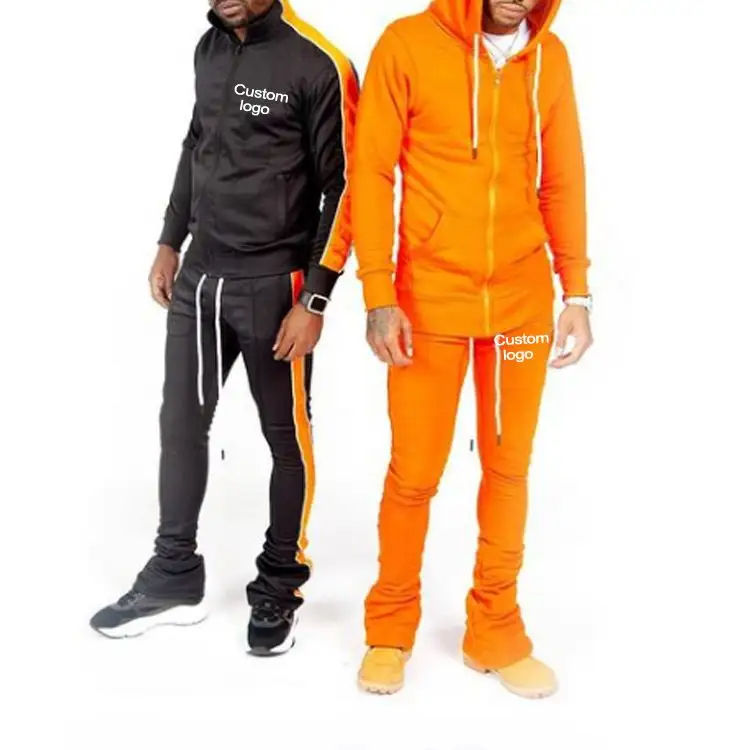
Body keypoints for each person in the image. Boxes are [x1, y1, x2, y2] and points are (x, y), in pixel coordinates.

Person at [90, 0, 358, 656]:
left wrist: (314, 298)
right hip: (200, 282)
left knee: (286, 440)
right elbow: (196, 143)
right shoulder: (208, 47)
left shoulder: (319, 62)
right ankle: (174, 574)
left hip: (276, 287)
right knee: (180, 426)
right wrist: (169, 239)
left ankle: (280, 582)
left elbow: (344, 187)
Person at [352, 0, 592, 696]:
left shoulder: (549, 57)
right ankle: (390, 628)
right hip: (427, 303)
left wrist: (576, 291)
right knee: (414, 474)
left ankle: (495, 629)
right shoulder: (406, 44)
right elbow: (372, 171)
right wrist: (378, 292)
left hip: (522, 305)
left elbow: (562, 176)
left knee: (508, 469)